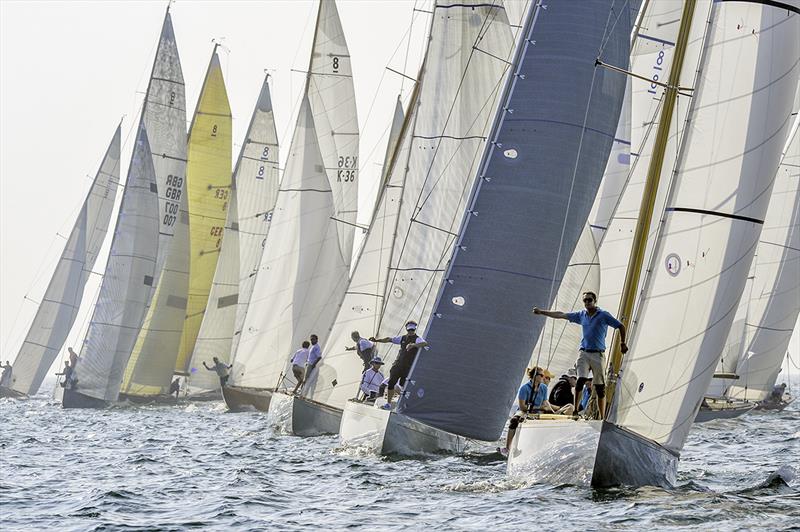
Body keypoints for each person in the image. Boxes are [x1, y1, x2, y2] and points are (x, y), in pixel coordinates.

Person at [533, 291, 627, 418]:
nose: (587, 303)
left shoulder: (603, 315)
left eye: (589, 300)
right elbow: (561, 314)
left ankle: (602, 416)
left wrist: (622, 343)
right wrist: (542, 312)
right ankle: (576, 410)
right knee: (580, 380)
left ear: (595, 301)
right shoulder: (581, 315)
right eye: (585, 301)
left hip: (598, 354)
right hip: (584, 352)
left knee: (600, 388)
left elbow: (620, 326)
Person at [371, 320, 428, 410]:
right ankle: (388, 404)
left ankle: (405, 403)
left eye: (412, 330)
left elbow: (425, 343)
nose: (410, 332)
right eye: (409, 330)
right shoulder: (402, 338)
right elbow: (389, 339)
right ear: (406, 329)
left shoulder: (417, 339)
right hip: (397, 364)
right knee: (391, 383)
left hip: (407, 367)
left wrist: (413, 345)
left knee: (403, 385)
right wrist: (377, 340)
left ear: (415, 329)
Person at [499, 367, 547, 457]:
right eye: (541, 375)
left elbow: (545, 404)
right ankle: (507, 448)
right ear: (534, 376)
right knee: (514, 421)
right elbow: (523, 407)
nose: (543, 377)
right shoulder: (524, 388)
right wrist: (539, 408)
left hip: (538, 412)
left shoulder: (544, 388)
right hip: (524, 411)